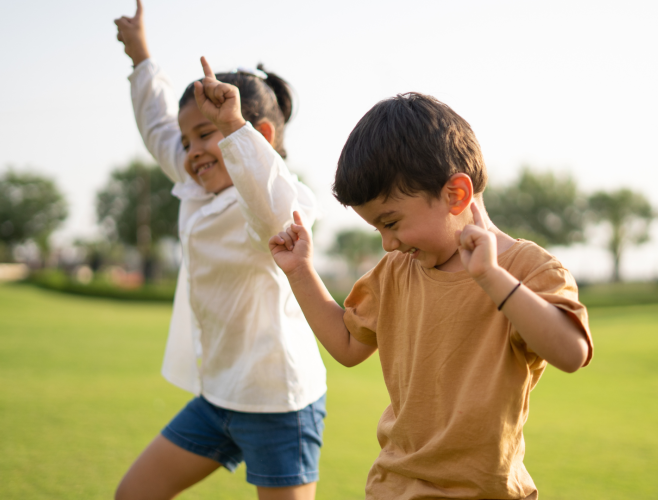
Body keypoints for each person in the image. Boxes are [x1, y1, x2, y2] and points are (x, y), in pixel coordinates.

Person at [268, 93, 594, 499]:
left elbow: (571, 351)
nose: (388, 244)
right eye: (378, 229)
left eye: (392, 222)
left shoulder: (527, 270)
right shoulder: (395, 272)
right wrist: (300, 271)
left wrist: (491, 277)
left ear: (456, 194)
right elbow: (348, 345)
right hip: (395, 487)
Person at [113, 3, 327, 499]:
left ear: (261, 138)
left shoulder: (275, 201)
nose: (190, 152)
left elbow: (273, 208)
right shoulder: (197, 187)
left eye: (205, 134)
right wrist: (142, 56)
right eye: (189, 141)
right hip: (218, 398)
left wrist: (232, 125)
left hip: (279, 403)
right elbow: (159, 130)